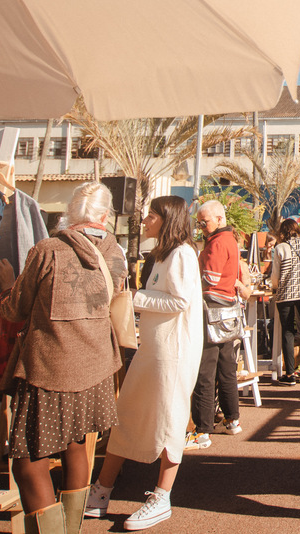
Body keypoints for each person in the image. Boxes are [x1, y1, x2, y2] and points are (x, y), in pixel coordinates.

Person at [0, 181, 123, 534]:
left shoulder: (48, 249)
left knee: (27, 463)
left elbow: (15, 310)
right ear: (105, 215)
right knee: (75, 447)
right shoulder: (114, 251)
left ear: (71, 210)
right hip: (96, 365)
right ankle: (71, 529)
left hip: (50, 369)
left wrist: (7, 284)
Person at [85, 195, 204, 530]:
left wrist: (132, 297)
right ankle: (102, 491)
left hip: (173, 354)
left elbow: (179, 301)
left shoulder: (181, 253)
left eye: (151, 215)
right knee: (129, 413)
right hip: (154, 349)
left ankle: (160, 496)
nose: (145, 220)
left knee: (169, 420)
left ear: (166, 219)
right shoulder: (164, 255)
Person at [187, 200, 251, 450]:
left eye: (205, 222)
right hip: (228, 311)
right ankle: (232, 419)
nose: (201, 227)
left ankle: (202, 430)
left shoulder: (216, 242)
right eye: (199, 223)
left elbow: (210, 278)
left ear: (220, 219)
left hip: (211, 309)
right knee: (226, 369)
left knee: (205, 372)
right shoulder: (230, 240)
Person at [267, 219, 300, 383]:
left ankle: (289, 374)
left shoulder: (280, 248)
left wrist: (273, 286)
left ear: (282, 232)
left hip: (286, 294)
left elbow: (275, 276)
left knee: (288, 332)